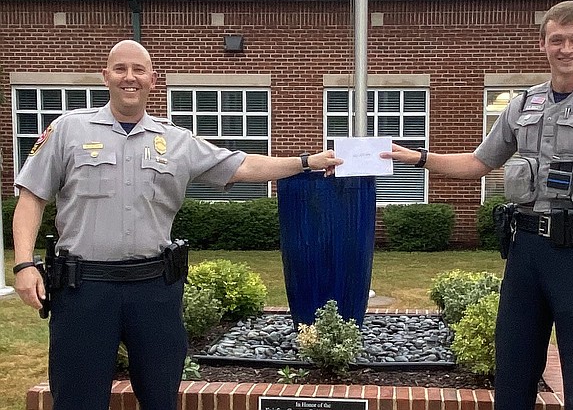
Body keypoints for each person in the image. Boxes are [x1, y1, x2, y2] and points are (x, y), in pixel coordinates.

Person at [12, 39, 343, 410]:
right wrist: (24, 264)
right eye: (120, 69)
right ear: (105, 76)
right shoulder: (68, 131)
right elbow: (31, 198)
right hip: (84, 288)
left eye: (138, 70)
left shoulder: (175, 141)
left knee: (160, 396)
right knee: (77, 399)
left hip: (153, 290)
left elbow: (242, 165)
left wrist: (305, 161)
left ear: (153, 79)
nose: (129, 77)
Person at [381, 0, 573, 409]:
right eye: (556, 40)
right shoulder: (523, 105)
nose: (566, 49)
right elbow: (478, 163)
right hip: (526, 252)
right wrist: (416, 157)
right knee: (513, 370)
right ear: (542, 44)